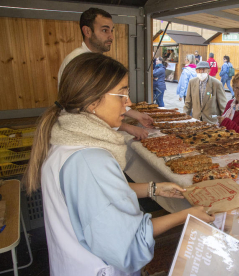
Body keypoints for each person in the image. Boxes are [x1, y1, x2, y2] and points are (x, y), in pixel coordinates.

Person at [23, 53, 214, 276]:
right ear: (92, 101)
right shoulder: (91, 160)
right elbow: (130, 244)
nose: (129, 102)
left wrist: (154, 188)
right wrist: (187, 215)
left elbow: (98, 195)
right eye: (121, 93)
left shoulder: (66, 139)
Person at [57, 7, 152, 140]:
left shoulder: (95, 60)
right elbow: (86, 111)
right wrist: (127, 127)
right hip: (83, 135)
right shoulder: (79, 61)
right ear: (87, 31)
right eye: (104, 30)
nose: (111, 36)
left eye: (111, 30)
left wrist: (135, 115)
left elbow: (107, 100)